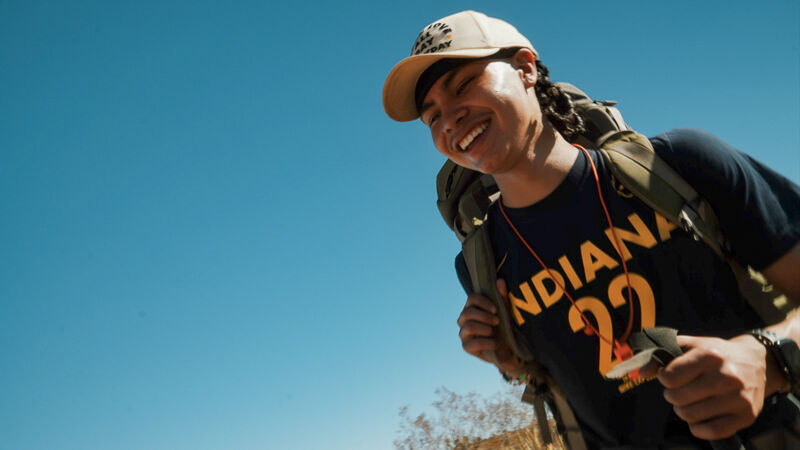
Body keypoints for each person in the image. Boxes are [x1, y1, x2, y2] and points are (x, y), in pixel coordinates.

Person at [382, 10, 800, 449]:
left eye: (464, 85)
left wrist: (770, 358)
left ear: (525, 68)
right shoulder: (481, 263)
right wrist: (511, 360)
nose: (448, 119)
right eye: (432, 117)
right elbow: (568, 379)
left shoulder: (682, 167)